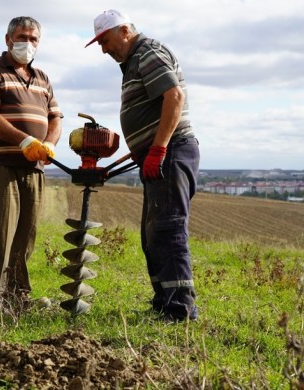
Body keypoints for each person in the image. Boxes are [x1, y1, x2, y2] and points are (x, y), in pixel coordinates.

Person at [86, 10, 200, 322]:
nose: (104, 49)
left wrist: (159, 148)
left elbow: (173, 96)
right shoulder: (133, 61)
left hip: (172, 151)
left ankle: (180, 311)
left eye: (105, 41)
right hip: (159, 153)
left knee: (168, 228)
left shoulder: (147, 53)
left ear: (124, 31)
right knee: (152, 233)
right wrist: (134, 154)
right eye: (99, 44)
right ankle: (164, 302)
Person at [0, 16, 62, 312]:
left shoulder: (43, 78)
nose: (28, 43)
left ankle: (16, 298)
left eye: (34, 38)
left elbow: (55, 117)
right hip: (0, 166)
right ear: (8, 39)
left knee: (25, 239)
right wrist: (24, 141)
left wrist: (48, 143)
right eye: (22, 37)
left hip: (34, 168)